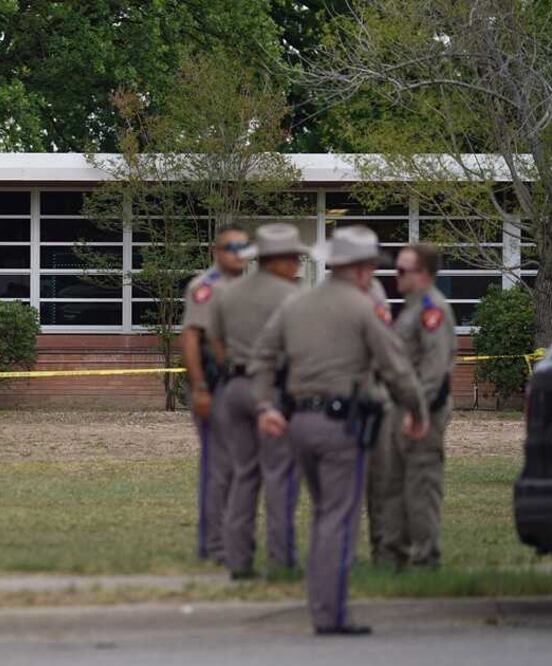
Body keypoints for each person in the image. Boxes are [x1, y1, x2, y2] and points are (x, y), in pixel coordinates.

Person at [251, 226, 428, 636]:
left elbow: (262, 356)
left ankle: (323, 605)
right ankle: (330, 615)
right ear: (363, 269)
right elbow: (395, 366)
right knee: (337, 517)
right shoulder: (362, 307)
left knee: (324, 514)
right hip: (342, 426)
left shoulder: (295, 305)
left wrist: (264, 406)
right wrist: (416, 408)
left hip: (299, 424)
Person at [210, 223, 308, 579]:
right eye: (294, 256)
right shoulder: (292, 296)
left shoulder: (227, 293)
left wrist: (235, 368)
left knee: (244, 474)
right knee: (280, 476)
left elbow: (215, 341)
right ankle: (281, 561)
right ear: (278, 260)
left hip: (234, 385)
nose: (297, 262)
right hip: (274, 390)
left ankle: (238, 560)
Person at [380, 243, 457, 569]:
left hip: (422, 413)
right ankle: (394, 558)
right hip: (402, 409)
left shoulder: (431, 309)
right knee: (395, 486)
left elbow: (434, 369)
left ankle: (427, 560)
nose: (395, 276)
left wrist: (418, 410)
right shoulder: (411, 307)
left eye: (402, 270)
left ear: (423, 273)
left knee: (422, 486)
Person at [180, 224, 249, 563]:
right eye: (230, 247)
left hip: (244, 387)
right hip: (216, 385)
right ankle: (214, 544)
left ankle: (234, 538)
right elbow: (192, 339)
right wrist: (201, 388)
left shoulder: (249, 287)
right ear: (215, 251)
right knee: (219, 468)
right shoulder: (205, 287)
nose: (238, 254)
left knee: (242, 468)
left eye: (243, 247)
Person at [364, 277, 396, 566]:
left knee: (380, 483)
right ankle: (382, 553)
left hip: (369, 399)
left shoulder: (373, 289)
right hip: (364, 399)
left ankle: (383, 551)